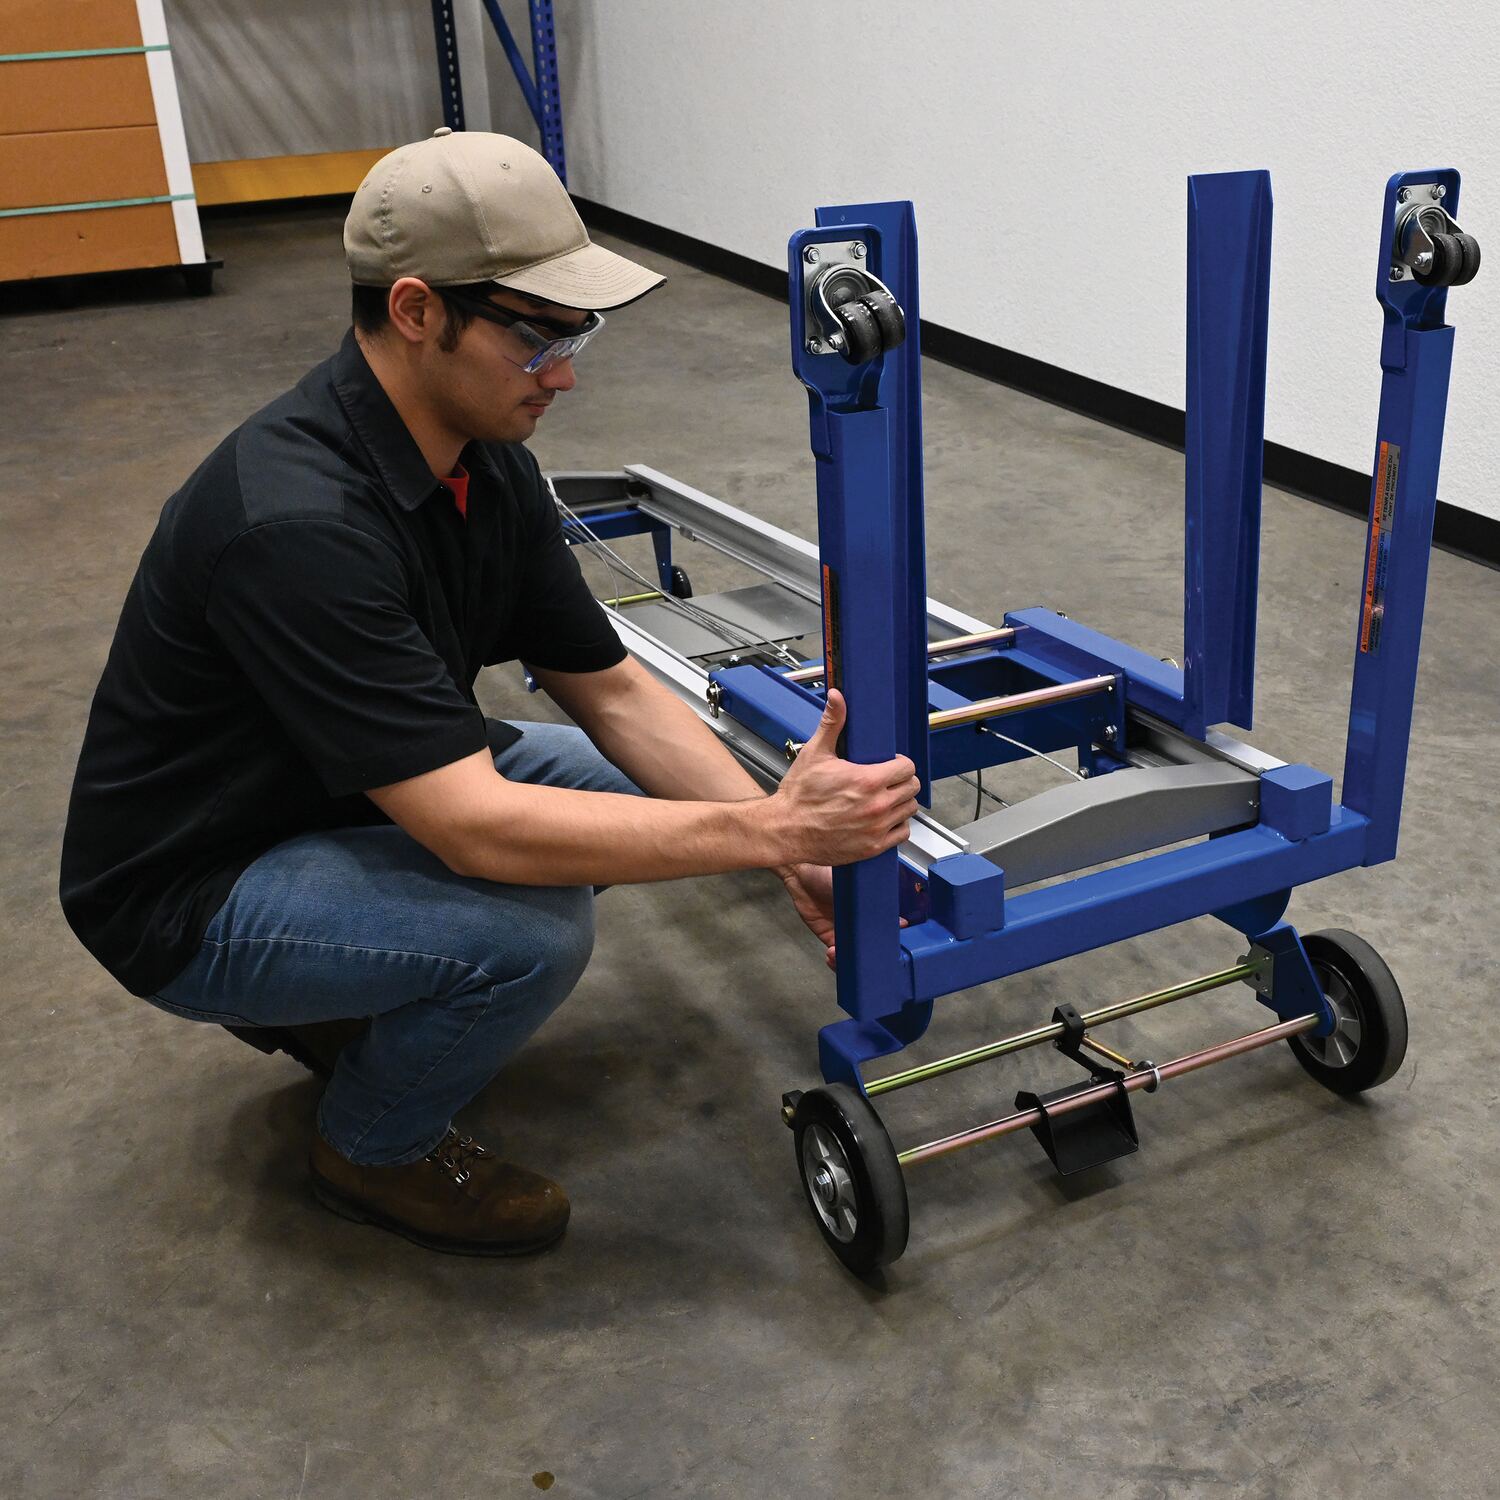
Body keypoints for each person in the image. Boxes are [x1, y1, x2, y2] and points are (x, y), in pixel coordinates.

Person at [58, 130, 918, 1258]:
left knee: (623, 788)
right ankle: (371, 1148)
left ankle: (355, 992)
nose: (564, 375)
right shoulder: (296, 524)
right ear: (416, 311)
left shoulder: (483, 458)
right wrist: (767, 829)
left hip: (331, 794)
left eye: (577, 336)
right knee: (529, 932)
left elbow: (612, 691)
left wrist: (778, 847)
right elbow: (471, 827)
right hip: (197, 883)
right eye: (536, 338)